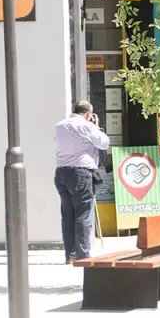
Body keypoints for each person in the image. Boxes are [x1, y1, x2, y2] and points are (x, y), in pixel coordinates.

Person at [54, 101, 110, 264]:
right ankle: (83, 254)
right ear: (88, 113)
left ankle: (70, 255)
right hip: (81, 174)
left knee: (68, 215)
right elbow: (104, 142)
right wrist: (96, 126)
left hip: (61, 173)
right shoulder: (86, 126)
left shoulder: (60, 125)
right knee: (83, 214)